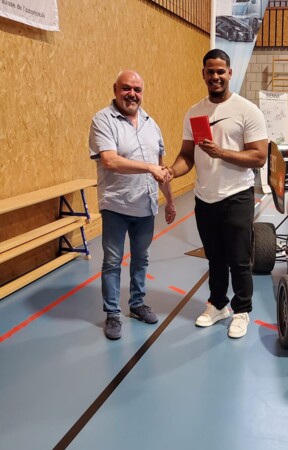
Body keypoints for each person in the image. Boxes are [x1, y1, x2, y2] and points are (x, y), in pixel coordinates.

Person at [168, 49, 268, 339]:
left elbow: (259, 157)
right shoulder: (194, 112)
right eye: (210, 71)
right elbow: (187, 155)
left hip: (237, 195)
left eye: (220, 71)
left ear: (229, 74)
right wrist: (172, 171)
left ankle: (242, 310)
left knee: (239, 258)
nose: (215, 76)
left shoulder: (247, 111)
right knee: (214, 258)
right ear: (203, 74)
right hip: (205, 197)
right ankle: (218, 304)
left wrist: (221, 153)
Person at [89, 70, 176, 340]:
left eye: (137, 90)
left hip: (146, 206)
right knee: (113, 262)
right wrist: (148, 167)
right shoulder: (103, 120)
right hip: (116, 205)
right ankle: (113, 314)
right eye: (126, 88)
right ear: (115, 89)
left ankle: (137, 304)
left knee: (141, 259)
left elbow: (160, 168)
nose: (132, 94)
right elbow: (110, 161)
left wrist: (170, 200)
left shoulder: (152, 124)